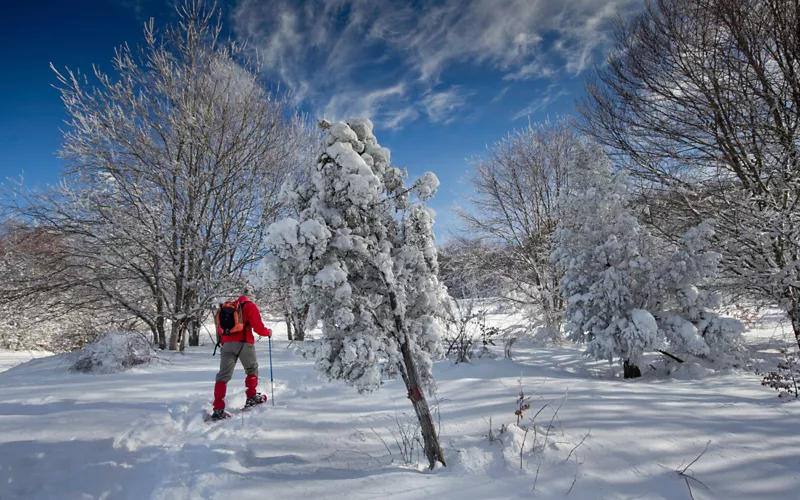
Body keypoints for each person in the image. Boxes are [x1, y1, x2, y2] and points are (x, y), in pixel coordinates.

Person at [211, 295, 272, 420]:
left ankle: (218, 409)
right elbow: (258, 327)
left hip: (227, 345)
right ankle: (251, 397)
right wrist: (268, 332)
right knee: (251, 369)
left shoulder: (226, 309)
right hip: (244, 343)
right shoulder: (250, 306)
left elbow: (220, 327)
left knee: (223, 375)